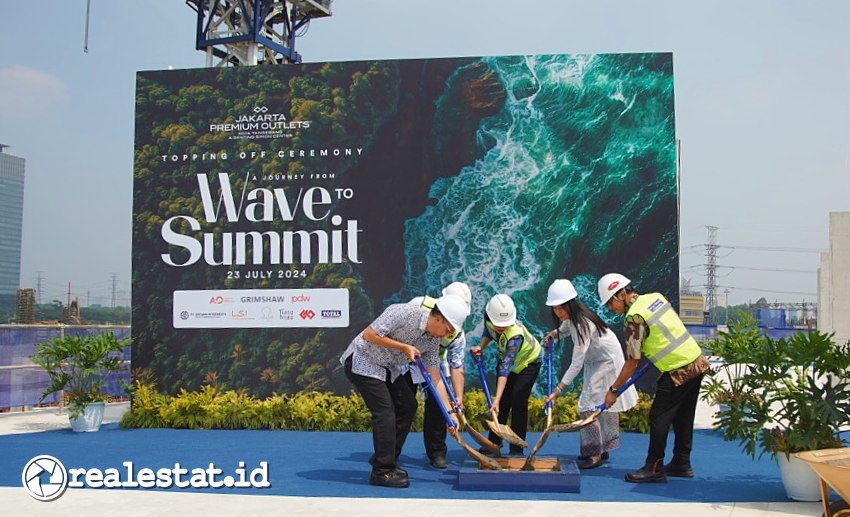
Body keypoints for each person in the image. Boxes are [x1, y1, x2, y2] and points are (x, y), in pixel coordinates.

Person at [340, 294, 468, 488]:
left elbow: (436, 378)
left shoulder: (432, 342)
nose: (446, 335)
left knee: (408, 405)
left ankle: (386, 457)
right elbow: (369, 335)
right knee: (385, 412)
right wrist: (404, 347)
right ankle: (382, 471)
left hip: (386, 367)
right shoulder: (403, 312)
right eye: (447, 329)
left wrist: (451, 414)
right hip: (362, 360)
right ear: (438, 317)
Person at [599, 273, 710, 483]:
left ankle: (654, 467)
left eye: (610, 303)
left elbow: (632, 361)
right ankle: (681, 462)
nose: (610, 309)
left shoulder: (634, 318)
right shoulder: (655, 297)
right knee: (683, 416)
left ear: (622, 294)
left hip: (678, 369)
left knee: (658, 417)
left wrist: (613, 390)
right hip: (696, 360)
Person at [543, 278, 638, 469]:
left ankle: (594, 454)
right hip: (600, 359)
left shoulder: (582, 325)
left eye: (561, 307)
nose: (558, 312)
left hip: (606, 361)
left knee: (588, 406)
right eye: (554, 308)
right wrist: (555, 334)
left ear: (570, 304)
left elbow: (576, 362)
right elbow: (565, 327)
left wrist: (558, 390)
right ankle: (603, 449)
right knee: (598, 404)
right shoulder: (576, 316)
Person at [406, 282, 472, 469]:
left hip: (433, 364)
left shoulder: (457, 335)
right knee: (404, 406)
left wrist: (458, 397)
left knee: (437, 405)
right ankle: (389, 453)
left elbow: (456, 365)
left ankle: (437, 452)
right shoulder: (418, 305)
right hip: (404, 361)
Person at [469, 293, 542, 455]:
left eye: (504, 324)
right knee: (502, 405)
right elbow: (489, 332)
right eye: (498, 323)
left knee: (518, 401)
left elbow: (504, 369)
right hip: (508, 362)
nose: (500, 327)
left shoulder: (515, 337)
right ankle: (494, 443)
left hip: (528, 364)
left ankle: (517, 448)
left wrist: (496, 398)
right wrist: (481, 347)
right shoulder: (489, 318)